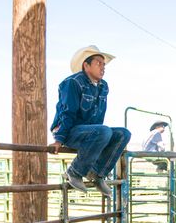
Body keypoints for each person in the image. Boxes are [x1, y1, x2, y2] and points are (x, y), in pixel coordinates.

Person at [50, 45, 131, 198]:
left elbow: (99, 116)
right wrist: (59, 139)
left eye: (104, 64)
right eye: (98, 63)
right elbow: (67, 112)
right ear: (86, 66)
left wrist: (101, 139)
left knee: (123, 134)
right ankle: (74, 171)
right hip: (69, 130)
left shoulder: (103, 86)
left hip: (92, 132)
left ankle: (97, 174)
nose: (103, 67)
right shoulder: (72, 82)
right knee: (104, 130)